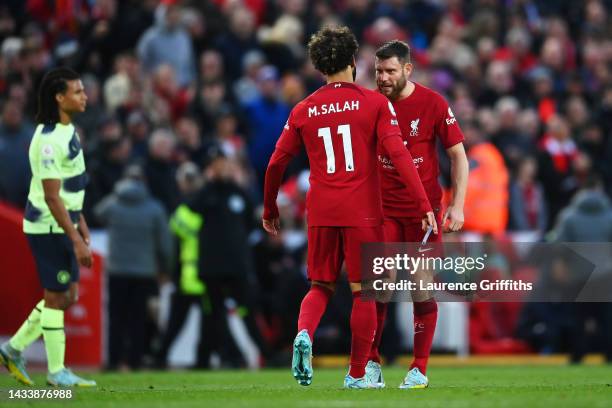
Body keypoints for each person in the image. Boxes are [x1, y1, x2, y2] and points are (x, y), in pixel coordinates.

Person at [262, 26, 436, 389]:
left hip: (321, 210)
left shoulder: (304, 109)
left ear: (319, 67)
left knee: (320, 285)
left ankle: (305, 332)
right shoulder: (374, 103)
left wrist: (270, 208)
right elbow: (399, 155)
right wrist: (423, 203)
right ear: (354, 61)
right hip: (363, 212)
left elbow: (276, 163)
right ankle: (357, 374)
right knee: (364, 292)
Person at [371, 40, 469, 389]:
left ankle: (419, 368)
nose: (382, 78)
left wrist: (457, 205)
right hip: (382, 211)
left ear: (407, 70)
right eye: (378, 71)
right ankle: (371, 365)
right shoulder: (370, 105)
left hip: (422, 212)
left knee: (420, 288)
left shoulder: (433, 103)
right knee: (380, 288)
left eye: (390, 71)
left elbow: (458, 156)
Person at [0, 68, 96, 387]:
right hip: (48, 227)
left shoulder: (70, 132)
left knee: (67, 296)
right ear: (59, 97)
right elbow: (53, 198)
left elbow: (71, 188)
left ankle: (12, 349)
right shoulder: (47, 141)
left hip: (65, 224)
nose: (84, 96)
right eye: (78, 91)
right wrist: (77, 240)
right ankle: (56, 372)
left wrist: (81, 223)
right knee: (56, 297)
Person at [94, 165, 171, 371]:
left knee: (116, 318)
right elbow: (165, 244)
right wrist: (166, 268)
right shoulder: (154, 208)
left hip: (117, 270)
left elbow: (96, 214)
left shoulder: (113, 203)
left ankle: (113, 361)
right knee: (137, 319)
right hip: (144, 271)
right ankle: (135, 361)